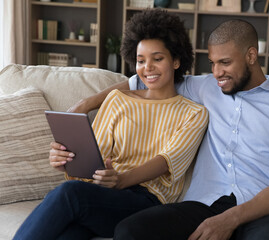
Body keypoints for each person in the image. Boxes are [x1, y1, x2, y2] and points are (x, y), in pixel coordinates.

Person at [69, 19, 269, 239]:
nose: (217, 73)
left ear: (251, 56)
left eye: (225, 62)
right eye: (212, 63)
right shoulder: (206, 86)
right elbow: (145, 79)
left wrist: (230, 219)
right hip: (203, 206)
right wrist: (86, 104)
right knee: (130, 231)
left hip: (266, 214)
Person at [13, 9, 208, 240]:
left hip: (146, 202)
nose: (148, 68)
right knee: (69, 234)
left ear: (176, 60)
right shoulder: (117, 99)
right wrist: (66, 162)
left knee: (68, 194)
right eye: (140, 60)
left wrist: (122, 179)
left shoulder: (194, 113)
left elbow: (166, 162)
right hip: (102, 195)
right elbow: (95, 158)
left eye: (158, 59)